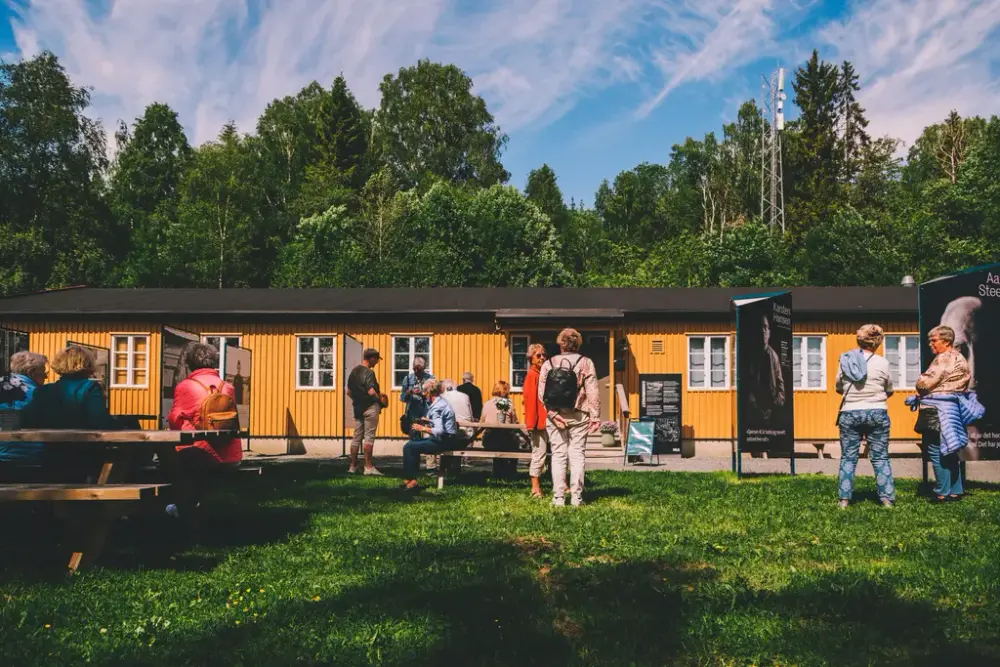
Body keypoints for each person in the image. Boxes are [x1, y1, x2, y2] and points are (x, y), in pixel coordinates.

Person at [22, 346, 123, 480]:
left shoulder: (44, 391)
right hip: (84, 456)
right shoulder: (89, 387)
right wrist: (120, 427)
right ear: (86, 364)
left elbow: (27, 419)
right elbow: (100, 420)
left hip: (51, 455)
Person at [166, 343, 243, 517]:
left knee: (170, 458)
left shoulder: (186, 387)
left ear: (190, 363)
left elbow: (174, 421)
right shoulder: (227, 387)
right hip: (231, 458)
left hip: (201, 458)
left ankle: (182, 507)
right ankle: (191, 504)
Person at [912, 325, 977, 502]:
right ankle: (955, 489)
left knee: (935, 449)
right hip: (953, 409)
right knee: (949, 450)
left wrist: (920, 380)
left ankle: (941, 491)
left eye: (934, 340)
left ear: (946, 341)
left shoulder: (944, 358)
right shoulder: (960, 358)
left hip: (937, 410)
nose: (930, 344)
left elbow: (924, 383)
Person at [834, 324, 896, 508]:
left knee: (848, 457)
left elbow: (838, 386)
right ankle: (886, 499)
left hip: (850, 412)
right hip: (877, 411)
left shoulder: (845, 360)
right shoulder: (882, 362)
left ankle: (844, 499)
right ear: (878, 342)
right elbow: (889, 389)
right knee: (880, 457)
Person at [538, 328, 600, 507]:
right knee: (577, 454)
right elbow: (593, 391)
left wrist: (553, 414)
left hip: (555, 414)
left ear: (560, 343)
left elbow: (541, 394)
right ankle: (576, 498)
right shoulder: (586, 362)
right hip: (579, 413)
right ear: (578, 343)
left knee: (558, 455)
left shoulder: (548, 363)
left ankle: (558, 498)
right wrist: (595, 416)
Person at [401, 379, 468, 490]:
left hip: (444, 441)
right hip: (448, 439)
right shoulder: (441, 402)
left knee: (409, 447)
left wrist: (422, 428)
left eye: (424, 392)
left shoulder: (437, 407)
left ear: (429, 393)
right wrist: (428, 421)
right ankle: (410, 479)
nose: (423, 394)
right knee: (412, 445)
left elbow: (440, 430)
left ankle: (411, 480)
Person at [0, 351, 49, 465]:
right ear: (31, 372)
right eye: (43, 371)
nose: (46, 376)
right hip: (29, 455)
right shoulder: (38, 393)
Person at [346, 348, 388, 475]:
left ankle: (353, 466)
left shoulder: (354, 372)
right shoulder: (369, 373)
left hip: (358, 408)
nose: (376, 363)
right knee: (369, 437)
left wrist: (358, 400)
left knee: (356, 437)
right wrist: (380, 402)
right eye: (376, 360)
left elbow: (348, 392)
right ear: (372, 358)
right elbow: (371, 391)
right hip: (370, 408)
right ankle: (368, 467)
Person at [748, 313, 785, 427]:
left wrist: (775, 405)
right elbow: (746, 382)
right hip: (753, 411)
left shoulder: (774, 356)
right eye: (761, 327)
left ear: (769, 332)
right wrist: (753, 404)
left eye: (765, 327)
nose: (763, 331)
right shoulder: (750, 355)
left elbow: (780, 385)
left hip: (770, 412)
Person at [523, 343, 549, 498]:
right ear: (531, 358)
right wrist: (531, 424)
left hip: (548, 421)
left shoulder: (543, 374)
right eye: (538, 355)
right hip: (538, 423)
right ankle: (535, 487)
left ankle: (563, 484)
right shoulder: (532, 375)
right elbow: (530, 401)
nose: (542, 358)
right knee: (538, 453)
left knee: (555, 454)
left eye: (544, 355)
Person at [481, 380, 520, 478]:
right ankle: (511, 471)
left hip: (489, 441)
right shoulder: (509, 404)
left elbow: (481, 422)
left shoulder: (487, 404)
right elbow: (514, 422)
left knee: (498, 438)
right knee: (515, 441)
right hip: (506, 441)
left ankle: (498, 470)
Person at [400, 357, 435, 434]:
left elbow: (435, 397)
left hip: (427, 412)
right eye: (414, 369)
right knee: (414, 435)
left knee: (426, 435)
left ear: (424, 368)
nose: (416, 371)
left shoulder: (430, 378)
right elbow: (402, 398)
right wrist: (409, 392)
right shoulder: (408, 379)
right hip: (412, 413)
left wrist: (423, 394)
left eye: (418, 369)